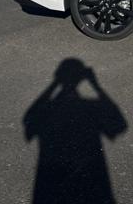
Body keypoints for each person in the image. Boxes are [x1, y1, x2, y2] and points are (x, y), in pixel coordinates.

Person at [23, 58, 127, 204]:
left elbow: (31, 118)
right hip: (90, 171)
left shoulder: (51, 108)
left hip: (53, 173)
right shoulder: (91, 107)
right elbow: (119, 124)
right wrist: (95, 85)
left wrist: (55, 83)